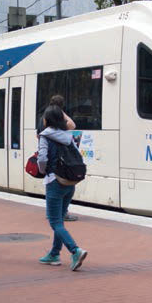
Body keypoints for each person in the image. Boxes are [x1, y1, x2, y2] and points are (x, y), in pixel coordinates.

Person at [36, 104, 87, 271]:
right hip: (69, 183)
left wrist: (43, 171)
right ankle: (54, 254)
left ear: (46, 120)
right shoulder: (68, 135)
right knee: (60, 220)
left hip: (54, 182)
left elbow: (42, 159)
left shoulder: (44, 136)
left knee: (55, 221)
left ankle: (75, 250)